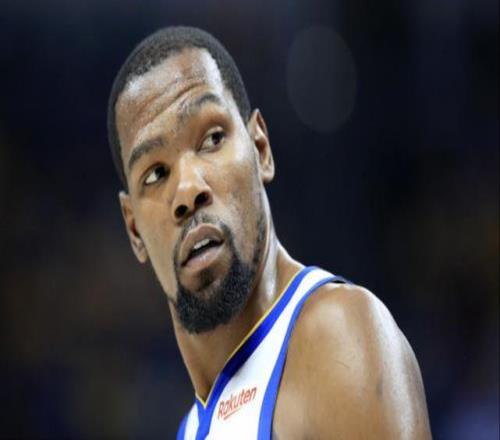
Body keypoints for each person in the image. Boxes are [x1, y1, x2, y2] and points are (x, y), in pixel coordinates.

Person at [107, 26, 431, 439]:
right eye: (155, 174)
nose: (187, 190)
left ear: (261, 149)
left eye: (211, 139)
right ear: (134, 228)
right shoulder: (191, 429)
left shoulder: (336, 336)